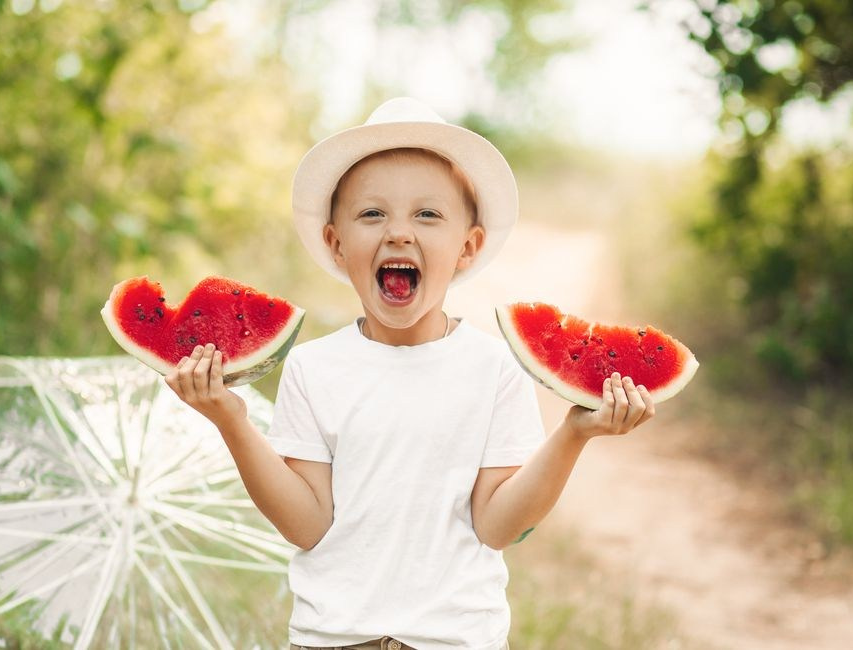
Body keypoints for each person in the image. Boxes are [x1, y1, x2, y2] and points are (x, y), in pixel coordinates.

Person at [164, 97, 656, 650]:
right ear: (336, 242)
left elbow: (498, 527)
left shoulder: (494, 368)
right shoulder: (312, 367)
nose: (398, 232)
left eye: (427, 214)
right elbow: (307, 525)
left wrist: (573, 435)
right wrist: (231, 421)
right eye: (372, 214)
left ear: (467, 247)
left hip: (456, 640)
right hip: (332, 638)